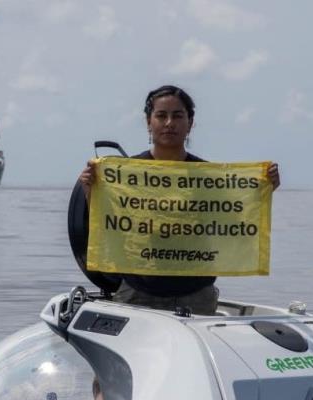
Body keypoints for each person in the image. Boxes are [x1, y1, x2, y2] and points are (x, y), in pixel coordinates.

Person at [78, 84, 281, 315]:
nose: (169, 123)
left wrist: (263, 191)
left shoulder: (208, 177)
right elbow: (108, 224)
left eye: (177, 116)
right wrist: (90, 188)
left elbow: (234, 224)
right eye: (161, 116)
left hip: (196, 294)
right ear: (148, 122)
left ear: (190, 123)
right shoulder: (126, 174)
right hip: (138, 291)